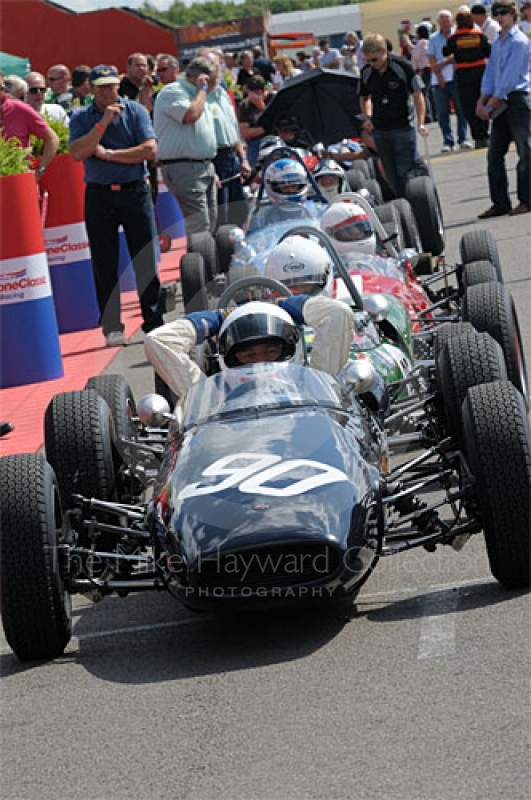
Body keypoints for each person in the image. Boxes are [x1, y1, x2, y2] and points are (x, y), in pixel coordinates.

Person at [69, 65, 164, 347]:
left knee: (144, 258)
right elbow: (77, 153)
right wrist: (102, 124)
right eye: (101, 87)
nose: (107, 91)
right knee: (104, 263)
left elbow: (149, 150)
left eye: (111, 86)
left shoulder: (135, 111)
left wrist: (109, 155)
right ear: (92, 89)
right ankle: (112, 326)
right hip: (99, 194)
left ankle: (154, 322)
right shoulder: (82, 117)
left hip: (133, 190)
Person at [145, 295, 354, 399]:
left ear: (291, 348)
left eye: (271, 352)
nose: (261, 361)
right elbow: (158, 340)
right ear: (230, 358)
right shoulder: (214, 403)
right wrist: (219, 319)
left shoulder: (318, 392)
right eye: (249, 355)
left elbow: (338, 312)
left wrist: (282, 307)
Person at [153, 56, 218, 242]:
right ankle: (200, 267)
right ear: (202, 78)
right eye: (213, 80)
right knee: (200, 223)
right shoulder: (173, 92)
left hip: (204, 165)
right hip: (184, 167)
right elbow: (191, 115)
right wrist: (203, 89)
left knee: (211, 220)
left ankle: (208, 263)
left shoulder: (199, 95)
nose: (216, 85)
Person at [476, 0, 531, 217]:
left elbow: (510, 78)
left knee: (525, 150)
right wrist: (482, 100)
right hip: (499, 101)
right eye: (496, 13)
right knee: (494, 154)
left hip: (517, 99)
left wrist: (491, 103)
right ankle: (500, 203)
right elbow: (491, 74)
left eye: (504, 13)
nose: (500, 17)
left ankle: (526, 199)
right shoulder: (497, 42)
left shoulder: (519, 41)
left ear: (513, 14)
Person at [358, 33, 428, 199]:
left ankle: (418, 200)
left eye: (374, 60)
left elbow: (418, 95)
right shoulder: (367, 72)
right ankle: (404, 203)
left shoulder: (401, 66)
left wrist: (421, 123)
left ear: (384, 52)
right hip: (380, 129)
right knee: (391, 174)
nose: (371, 64)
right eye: (368, 60)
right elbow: (363, 97)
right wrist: (367, 117)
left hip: (403, 126)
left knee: (405, 170)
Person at [203, 50, 251, 227]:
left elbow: (233, 130)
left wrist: (243, 158)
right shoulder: (197, 98)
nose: (214, 71)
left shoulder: (223, 94)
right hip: (214, 158)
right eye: (209, 67)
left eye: (216, 66)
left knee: (240, 213)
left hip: (232, 159)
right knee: (221, 218)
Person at [443, 9, 491, 148]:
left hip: (463, 73)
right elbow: (488, 52)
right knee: (483, 102)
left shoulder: (453, 38)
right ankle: (485, 133)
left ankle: (477, 136)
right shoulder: (479, 35)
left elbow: (445, 51)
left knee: (468, 106)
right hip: (480, 72)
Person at [0, 70, 59, 181]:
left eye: (0, 88)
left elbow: (52, 139)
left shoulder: (19, 109)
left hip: (18, 182)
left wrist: (40, 170)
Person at [427, 10, 473, 152]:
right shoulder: (433, 38)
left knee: (461, 109)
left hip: (457, 76)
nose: (445, 23)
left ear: (452, 21)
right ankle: (448, 141)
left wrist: (444, 62)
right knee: (442, 112)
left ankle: (463, 138)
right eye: (442, 20)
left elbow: (457, 53)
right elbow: (431, 57)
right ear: (438, 22)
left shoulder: (458, 35)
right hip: (440, 78)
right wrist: (439, 73)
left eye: (447, 20)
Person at [238, 74, 269, 168]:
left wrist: (261, 106)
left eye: (258, 93)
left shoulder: (272, 98)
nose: (255, 96)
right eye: (252, 93)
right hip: (255, 143)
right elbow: (245, 133)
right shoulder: (245, 106)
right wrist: (265, 129)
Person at [411, 23, 436, 123]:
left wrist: (414, 69)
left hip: (423, 70)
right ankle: (435, 114)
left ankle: (427, 115)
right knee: (432, 93)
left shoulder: (420, 43)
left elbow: (415, 57)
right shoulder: (430, 42)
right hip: (432, 68)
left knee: (424, 94)